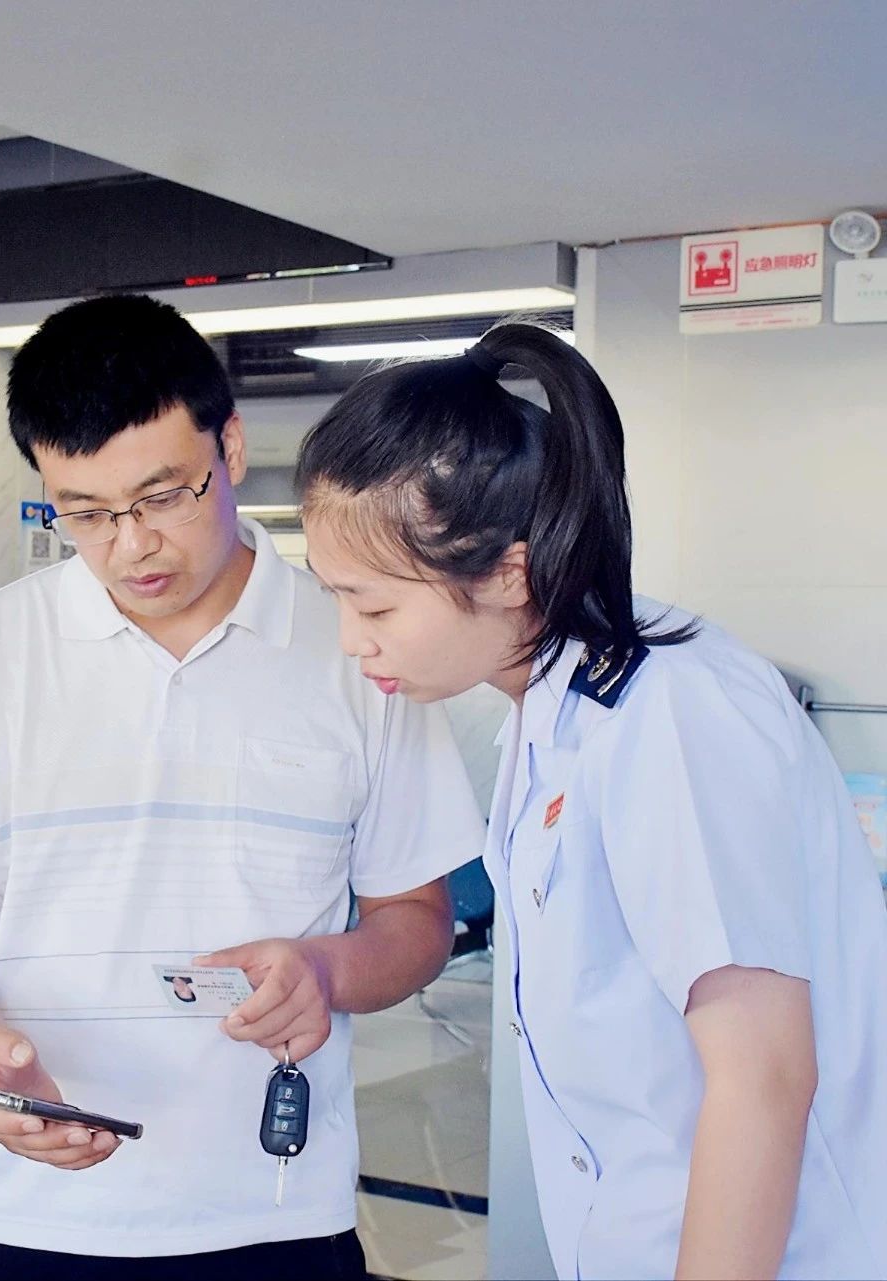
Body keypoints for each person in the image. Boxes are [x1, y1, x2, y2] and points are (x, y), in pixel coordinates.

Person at [0, 293, 484, 1281]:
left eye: (162, 497)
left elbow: (415, 920)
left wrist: (324, 972)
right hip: (24, 1221)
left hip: (273, 1217)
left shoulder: (357, 645)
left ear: (228, 449)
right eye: (84, 512)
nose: (130, 545)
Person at [296, 323, 887, 1281]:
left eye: (375, 605)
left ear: (509, 573)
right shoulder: (552, 713)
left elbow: (764, 1076)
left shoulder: (672, 712)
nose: (351, 639)